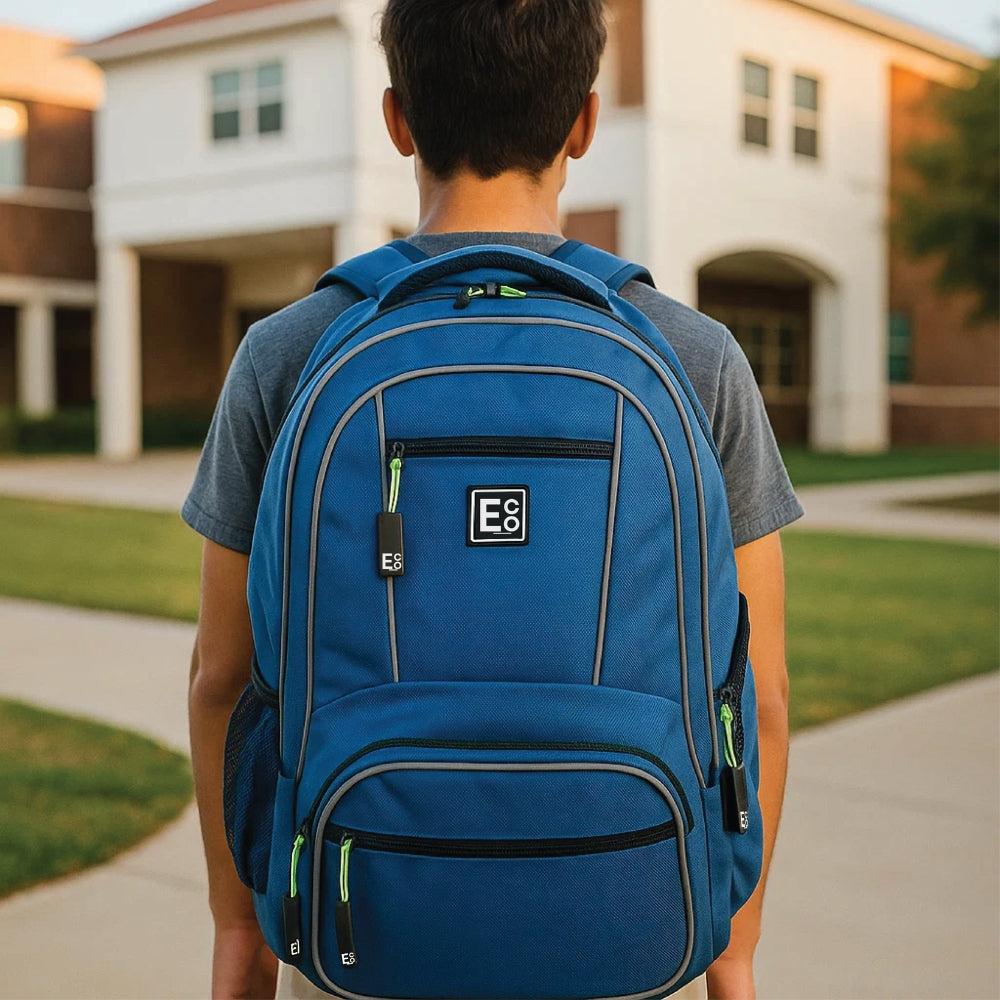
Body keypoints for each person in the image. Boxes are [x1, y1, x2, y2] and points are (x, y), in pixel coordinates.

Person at [184, 1, 802, 997]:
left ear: (396, 119)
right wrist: (733, 938)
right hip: (632, 916)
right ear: (584, 124)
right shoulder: (694, 357)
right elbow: (760, 692)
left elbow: (223, 675)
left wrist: (236, 924)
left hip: (360, 926)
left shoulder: (286, 354)